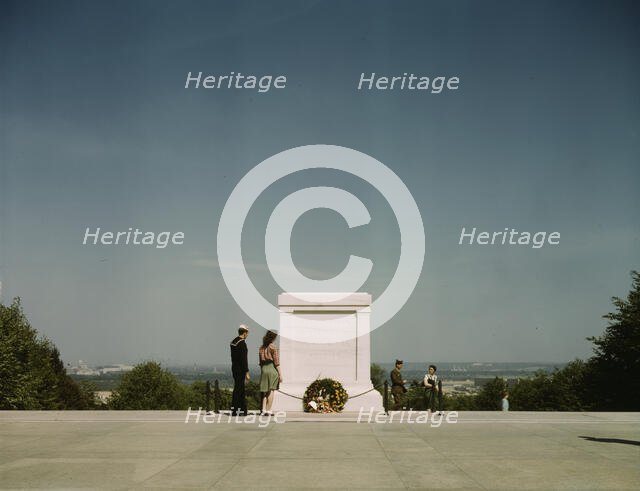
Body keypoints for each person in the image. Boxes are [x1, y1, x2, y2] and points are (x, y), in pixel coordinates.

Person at [259, 330, 281, 416]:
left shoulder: (261, 348)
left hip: (264, 369)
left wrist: (263, 370)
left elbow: (260, 362)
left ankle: (263, 409)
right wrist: (280, 374)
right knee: (271, 390)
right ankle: (268, 410)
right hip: (272, 369)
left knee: (265, 391)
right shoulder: (273, 347)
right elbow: (276, 362)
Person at [230, 325, 250, 415]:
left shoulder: (234, 342)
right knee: (239, 390)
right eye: (247, 333)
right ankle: (238, 410)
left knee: (238, 389)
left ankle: (238, 409)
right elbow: (244, 359)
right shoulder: (242, 343)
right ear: (245, 332)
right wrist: (247, 372)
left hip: (234, 368)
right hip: (240, 370)